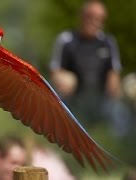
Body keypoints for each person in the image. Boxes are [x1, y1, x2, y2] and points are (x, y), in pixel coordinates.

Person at [49, 0, 126, 132]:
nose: (94, 22)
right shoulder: (66, 40)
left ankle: (120, 146)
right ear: (82, 16)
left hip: (101, 100)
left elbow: (114, 74)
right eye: (90, 17)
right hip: (74, 100)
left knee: (121, 112)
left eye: (100, 19)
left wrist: (114, 90)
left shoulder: (108, 42)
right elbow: (55, 72)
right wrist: (64, 79)